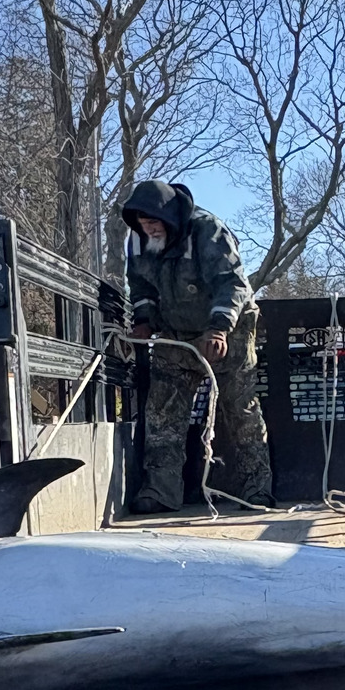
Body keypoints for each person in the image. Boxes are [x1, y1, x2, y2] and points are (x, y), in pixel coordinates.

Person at [121, 178, 274, 513]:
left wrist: (218, 331)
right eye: (142, 225)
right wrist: (143, 320)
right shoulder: (137, 242)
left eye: (154, 222)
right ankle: (160, 491)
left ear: (170, 217)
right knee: (162, 411)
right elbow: (141, 285)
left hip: (225, 331)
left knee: (240, 407)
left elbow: (231, 283)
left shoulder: (207, 231)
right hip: (175, 334)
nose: (148, 230)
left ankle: (257, 489)